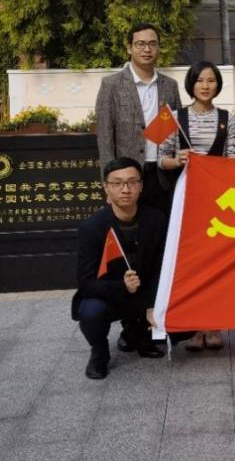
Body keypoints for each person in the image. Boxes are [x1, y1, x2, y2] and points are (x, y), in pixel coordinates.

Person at [158, 60, 235, 351]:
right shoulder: (172, 117)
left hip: (218, 201)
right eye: (200, 80)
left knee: (216, 261)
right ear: (190, 84)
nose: (205, 86)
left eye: (211, 80)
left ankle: (214, 325)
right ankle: (193, 327)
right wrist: (177, 160)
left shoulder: (229, 118)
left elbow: (234, 160)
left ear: (218, 85)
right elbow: (159, 158)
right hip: (185, 198)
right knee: (191, 262)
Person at [71, 158, 166, 379]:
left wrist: (153, 304)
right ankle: (99, 353)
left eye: (132, 182)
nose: (125, 189)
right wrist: (122, 286)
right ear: (106, 187)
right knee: (91, 311)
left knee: (184, 322)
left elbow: (161, 266)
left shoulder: (156, 219)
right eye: (117, 183)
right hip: (111, 296)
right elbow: (86, 284)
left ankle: (136, 335)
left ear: (141, 186)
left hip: (144, 294)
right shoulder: (92, 227)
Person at [95, 22, 181, 214]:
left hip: (163, 175)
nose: (147, 49)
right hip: (127, 178)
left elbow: (177, 131)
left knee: (163, 227)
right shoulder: (111, 85)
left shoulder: (170, 85)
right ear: (129, 47)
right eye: (140, 44)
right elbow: (105, 139)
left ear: (158, 47)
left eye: (152, 44)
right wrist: (109, 184)